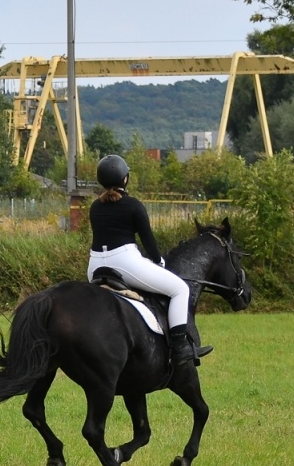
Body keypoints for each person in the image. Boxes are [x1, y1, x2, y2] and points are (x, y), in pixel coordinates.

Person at [87, 154, 205, 368]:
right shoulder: (133, 205)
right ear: (125, 179)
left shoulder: (95, 207)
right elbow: (148, 241)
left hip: (95, 265)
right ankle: (180, 348)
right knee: (180, 289)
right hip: (125, 261)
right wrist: (159, 262)